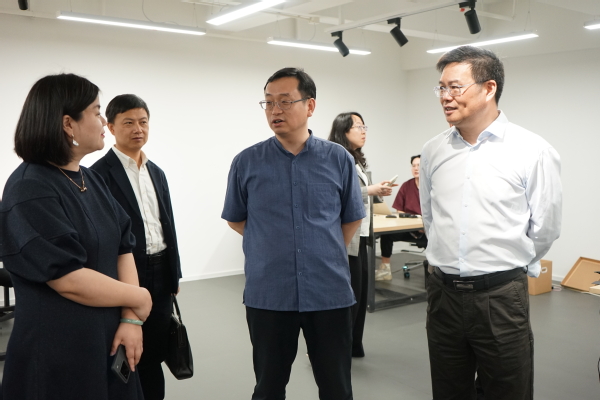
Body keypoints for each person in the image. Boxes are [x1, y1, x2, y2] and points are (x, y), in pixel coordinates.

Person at [421, 46, 562, 400]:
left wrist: (508, 263)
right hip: (443, 297)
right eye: (441, 88)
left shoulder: (532, 150)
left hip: (500, 298)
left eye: (455, 87)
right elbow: (430, 218)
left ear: (489, 88)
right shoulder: (433, 151)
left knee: (507, 390)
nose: (445, 97)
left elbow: (545, 227)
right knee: (448, 391)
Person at [0, 74, 152, 400]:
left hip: (111, 340)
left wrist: (131, 319)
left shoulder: (89, 180)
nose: (103, 121)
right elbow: (67, 278)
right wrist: (139, 298)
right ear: (68, 123)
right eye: (97, 112)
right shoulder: (30, 188)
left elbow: (123, 246)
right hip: (60, 350)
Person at [222, 67, 365, 400]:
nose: (275, 110)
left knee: (337, 388)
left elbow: (351, 218)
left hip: (328, 292)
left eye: (285, 101)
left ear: (310, 105)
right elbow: (236, 219)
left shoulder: (338, 159)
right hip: (270, 293)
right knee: (268, 388)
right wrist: (270, 243)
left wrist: (324, 249)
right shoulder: (246, 162)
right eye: (269, 102)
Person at [91, 94, 182, 400]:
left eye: (143, 122)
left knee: (155, 350)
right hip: (123, 275)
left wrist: (174, 274)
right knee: (126, 350)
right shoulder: (98, 175)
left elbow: (167, 225)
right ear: (111, 127)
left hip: (161, 272)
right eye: (128, 122)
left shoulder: (156, 172)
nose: (138, 129)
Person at [327, 111, 393, 358]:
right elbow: (338, 193)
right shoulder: (334, 158)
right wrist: (370, 190)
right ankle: (336, 348)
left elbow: (358, 194)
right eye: (359, 127)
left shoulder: (356, 160)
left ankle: (354, 345)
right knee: (348, 296)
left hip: (362, 236)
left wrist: (376, 191)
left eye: (365, 127)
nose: (364, 131)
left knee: (360, 294)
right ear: (343, 131)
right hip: (347, 239)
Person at [376, 155, 427, 281]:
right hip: (409, 229)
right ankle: (385, 270)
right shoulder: (406, 186)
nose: (416, 168)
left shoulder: (431, 186)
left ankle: (433, 272)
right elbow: (399, 210)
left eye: (419, 165)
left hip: (427, 230)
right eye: (413, 166)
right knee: (387, 234)